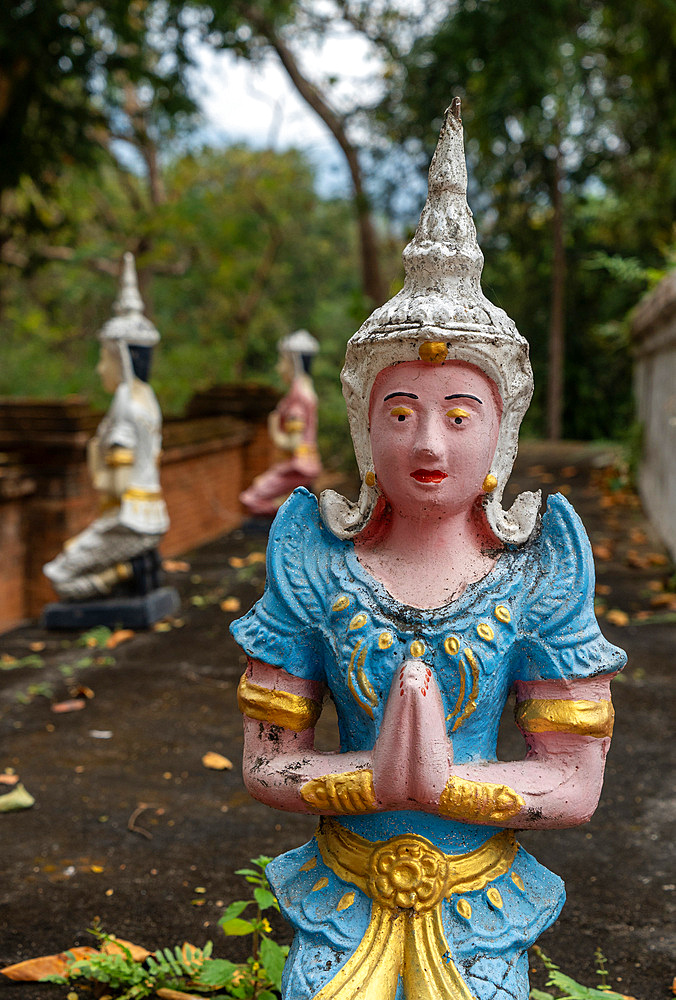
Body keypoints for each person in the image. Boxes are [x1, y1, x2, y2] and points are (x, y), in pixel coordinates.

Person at [231, 102, 625, 1000]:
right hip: (342, 887)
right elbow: (265, 761)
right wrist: (378, 776)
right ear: (365, 430)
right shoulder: (314, 563)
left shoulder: (537, 573)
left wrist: (447, 787)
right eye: (400, 413)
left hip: (479, 895)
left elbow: (574, 784)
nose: (430, 447)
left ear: (505, 436)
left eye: (460, 415)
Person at [43, 253, 169, 601]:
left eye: (104, 358)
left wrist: (97, 468)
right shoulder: (149, 399)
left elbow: (116, 481)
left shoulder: (125, 404)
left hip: (128, 518)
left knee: (58, 576)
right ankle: (135, 568)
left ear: (122, 357)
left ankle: (129, 570)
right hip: (151, 514)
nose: (100, 369)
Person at [239, 329, 322, 517]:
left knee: (251, 498)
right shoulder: (307, 392)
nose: (279, 367)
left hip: (297, 464)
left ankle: (287, 516)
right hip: (305, 461)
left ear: (293, 362)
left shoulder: (298, 397)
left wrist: (274, 428)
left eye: (282, 361)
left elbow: (293, 443)